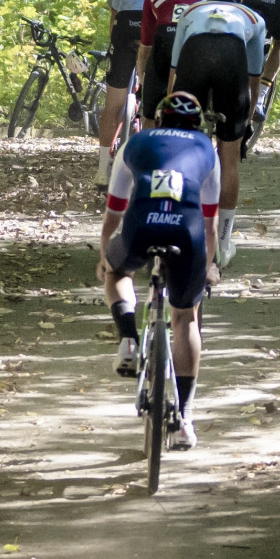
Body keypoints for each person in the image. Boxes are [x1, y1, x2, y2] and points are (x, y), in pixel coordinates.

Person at [100, 90, 221, 448]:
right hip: (188, 233)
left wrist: (105, 256)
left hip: (140, 227)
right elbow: (211, 225)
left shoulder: (135, 143)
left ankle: (127, 341)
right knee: (185, 317)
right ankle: (183, 417)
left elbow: (114, 213)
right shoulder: (206, 149)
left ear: (158, 119)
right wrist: (208, 266)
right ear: (197, 124)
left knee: (118, 273)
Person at [165, 0, 272, 239]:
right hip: (231, 62)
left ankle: (170, 221)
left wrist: (170, 108)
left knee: (179, 149)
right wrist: (245, 120)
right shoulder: (254, 17)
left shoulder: (190, 12)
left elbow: (174, 67)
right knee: (229, 158)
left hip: (193, 60)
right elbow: (254, 76)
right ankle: (223, 240)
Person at [97, 0, 182, 147]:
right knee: (160, 91)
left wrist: (114, 43)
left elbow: (115, 10)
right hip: (157, 26)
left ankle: (103, 168)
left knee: (113, 102)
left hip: (125, 26)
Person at [130, 0, 211, 118]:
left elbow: (146, 45)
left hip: (163, 45)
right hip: (195, 52)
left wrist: (142, 80)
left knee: (150, 115)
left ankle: (150, 130)